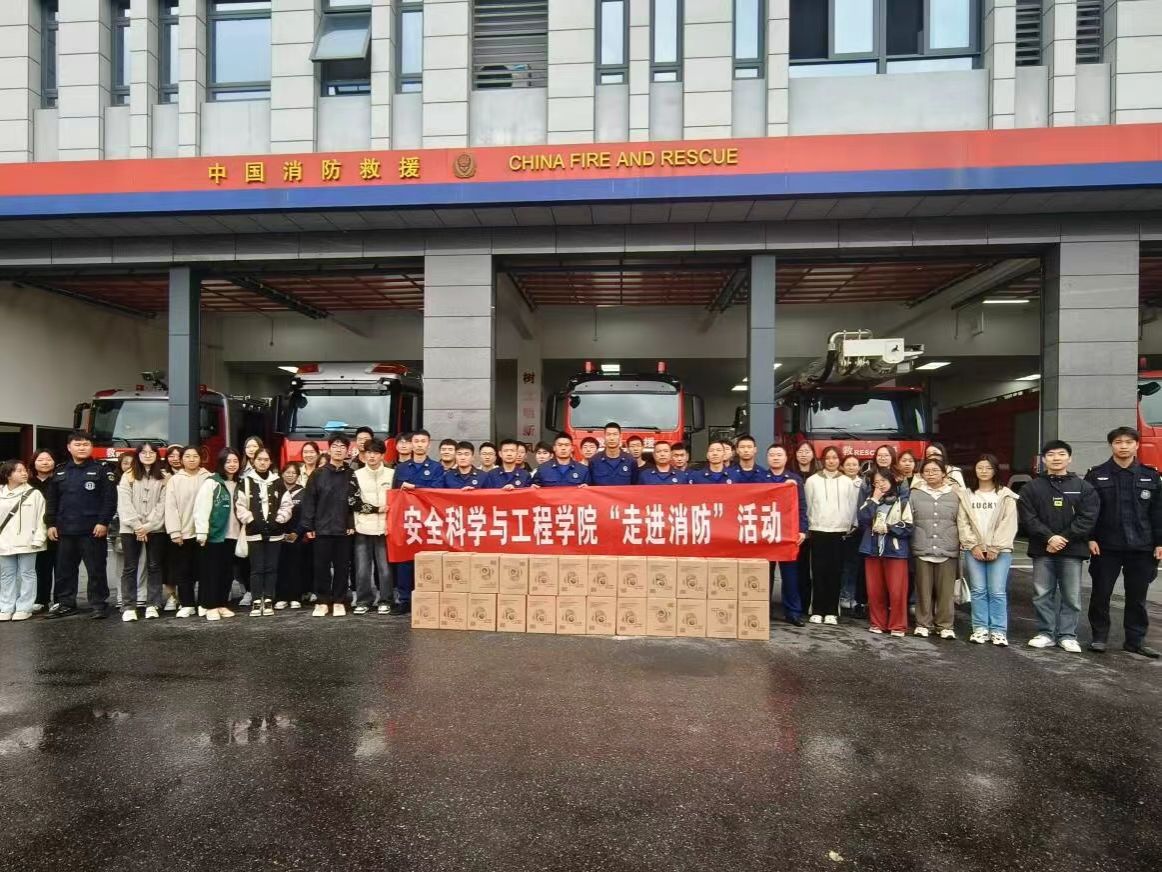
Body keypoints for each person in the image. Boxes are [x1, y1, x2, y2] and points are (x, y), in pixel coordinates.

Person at [1084, 427, 1162, 658]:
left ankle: (1135, 641)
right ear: (1111, 445)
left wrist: (1159, 542)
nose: (1124, 446)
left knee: (1137, 597)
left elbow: (1158, 512)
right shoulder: (1096, 475)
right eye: (1118, 442)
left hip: (1142, 546)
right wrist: (1090, 537)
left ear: (1137, 445)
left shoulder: (1151, 476)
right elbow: (1088, 511)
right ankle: (1099, 637)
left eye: (1128, 442)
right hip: (1105, 546)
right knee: (1101, 594)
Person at [1019, 440, 1099, 653]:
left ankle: (1067, 635)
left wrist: (1062, 538)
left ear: (1069, 458)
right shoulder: (1031, 487)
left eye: (1061, 454)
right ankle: (1045, 633)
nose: (1056, 458)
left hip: (1072, 550)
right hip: (1042, 549)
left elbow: (1088, 517)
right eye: (1051, 454)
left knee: (1071, 596)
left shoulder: (1083, 487)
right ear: (1044, 460)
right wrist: (1049, 538)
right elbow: (1028, 518)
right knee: (1041, 594)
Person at [43, 431, 117, 620]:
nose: (82, 448)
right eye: (77, 444)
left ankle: (99, 604)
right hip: (65, 530)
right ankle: (66, 604)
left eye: (86, 444)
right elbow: (52, 500)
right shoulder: (60, 471)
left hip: (92, 530)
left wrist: (103, 522)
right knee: (64, 571)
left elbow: (109, 500)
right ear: (69, 447)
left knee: (96, 570)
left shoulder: (102, 469)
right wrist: (51, 523)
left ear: (91, 447)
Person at [957, 454, 1019, 647]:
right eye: (980, 467)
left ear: (995, 470)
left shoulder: (1005, 495)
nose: (983, 471)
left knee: (997, 591)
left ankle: (999, 631)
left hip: (1000, 551)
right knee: (978, 590)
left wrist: (995, 547)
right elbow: (962, 522)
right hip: (973, 549)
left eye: (988, 468)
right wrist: (972, 545)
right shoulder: (967, 495)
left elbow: (1009, 524)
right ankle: (980, 628)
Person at [301, 436, 358, 618]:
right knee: (321, 567)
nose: (339, 449)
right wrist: (308, 525)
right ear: (329, 449)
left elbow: (355, 501)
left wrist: (351, 523)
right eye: (335, 446)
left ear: (347, 451)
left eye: (342, 446)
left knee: (342, 567)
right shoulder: (318, 474)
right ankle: (322, 601)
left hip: (344, 529)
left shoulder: (352, 474)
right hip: (322, 528)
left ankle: (339, 600)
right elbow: (309, 501)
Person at [391, 429, 446, 613]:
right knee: (405, 560)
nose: (420, 444)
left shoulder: (437, 467)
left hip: (429, 521)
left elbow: (437, 491)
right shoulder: (401, 468)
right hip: (407, 520)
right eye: (416, 441)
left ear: (429, 444)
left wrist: (415, 487)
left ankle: (428, 597)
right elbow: (394, 494)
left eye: (423, 441)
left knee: (429, 559)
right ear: (411, 444)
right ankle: (404, 599)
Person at [235, 447, 291, 617]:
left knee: (271, 568)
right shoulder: (246, 481)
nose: (263, 462)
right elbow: (240, 506)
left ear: (270, 462)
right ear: (253, 461)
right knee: (257, 568)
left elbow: (287, 504)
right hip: (254, 531)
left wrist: (279, 520)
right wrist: (251, 520)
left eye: (266, 460)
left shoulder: (278, 482)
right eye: (259, 459)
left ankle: (268, 599)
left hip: (275, 532)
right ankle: (256, 600)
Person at [910, 458, 962, 640]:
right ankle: (923, 624)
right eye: (927, 471)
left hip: (947, 547)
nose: (931, 474)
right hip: (922, 547)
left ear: (944, 473)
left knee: (946, 592)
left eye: (935, 470)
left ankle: (945, 625)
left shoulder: (955, 495)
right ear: (922, 474)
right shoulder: (914, 494)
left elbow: (961, 520)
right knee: (922, 590)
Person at [857, 471, 913, 637]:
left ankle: (898, 625)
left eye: (883, 480)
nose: (880, 484)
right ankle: (877, 623)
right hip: (872, 549)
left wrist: (889, 528)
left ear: (891, 481)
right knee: (875, 590)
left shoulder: (902, 501)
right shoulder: (870, 501)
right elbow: (862, 519)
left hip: (895, 551)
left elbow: (909, 526)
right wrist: (874, 499)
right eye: (876, 482)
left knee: (897, 591)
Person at [804, 446, 855, 624]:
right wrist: (809, 526)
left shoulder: (847, 482)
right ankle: (817, 609)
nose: (831, 461)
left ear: (839, 460)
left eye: (835, 457)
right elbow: (808, 505)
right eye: (828, 458)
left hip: (839, 532)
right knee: (818, 571)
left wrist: (849, 526)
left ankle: (832, 610)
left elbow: (851, 506)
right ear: (822, 460)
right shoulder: (812, 481)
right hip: (818, 530)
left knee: (836, 571)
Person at [117, 442, 167, 622]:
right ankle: (129, 606)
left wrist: (149, 526)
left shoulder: (164, 477)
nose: (147, 455)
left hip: (156, 528)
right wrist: (137, 526)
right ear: (137, 455)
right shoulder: (128, 476)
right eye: (143, 452)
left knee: (154, 565)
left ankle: (153, 604)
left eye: (151, 452)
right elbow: (124, 503)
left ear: (157, 455)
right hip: (130, 529)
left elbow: (163, 504)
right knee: (130, 566)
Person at [194, 448, 242, 622]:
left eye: (235, 461)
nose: (232, 465)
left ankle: (222, 603)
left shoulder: (240, 484)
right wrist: (202, 532)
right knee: (211, 572)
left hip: (233, 535)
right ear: (221, 463)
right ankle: (210, 606)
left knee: (226, 572)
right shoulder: (212, 483)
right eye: (228, 461)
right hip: (214, 535)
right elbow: (201, 508)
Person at [164, 446, 211, 617]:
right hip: (183, 532)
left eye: (195, 456)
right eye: (187, 456)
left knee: (205, 569)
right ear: (182, 459)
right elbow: (170, 507)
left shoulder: (209, 477)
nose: (191, 459)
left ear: (200, 458)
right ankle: (187, 603)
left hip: (204, 532)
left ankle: (205, 602)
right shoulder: (175, 480)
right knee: (183, 570)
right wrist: (175, 531)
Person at [352, 438, 397, 615]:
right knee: (362, 568)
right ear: (364, 455)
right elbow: (353, 502)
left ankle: (386, 600)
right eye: (369, 452)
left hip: (385, 528)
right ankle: (363, 600)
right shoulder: (356, 475)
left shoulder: (392, 474)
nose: (372, 456)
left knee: (385, 568)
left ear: (382, 455)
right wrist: (376, 509)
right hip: (363, 527)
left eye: (376, 453)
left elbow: (397, 500)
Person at [0, 459, 47, 621]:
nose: (24, 473)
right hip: (4, 541)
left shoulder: (34, 494)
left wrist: (39, 538)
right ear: (8, 475)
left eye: (24, 470)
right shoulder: (0, 493)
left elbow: (42, 518)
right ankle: (6, 607)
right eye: (18, 471)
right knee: (6, 575)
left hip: (28, 541)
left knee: (27, 574)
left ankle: (24, 607)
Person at [767, 444, 808, 626]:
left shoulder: (794, 479)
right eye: (772, 455)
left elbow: (802, 506)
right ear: (767, 458)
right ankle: (763, 610)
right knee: (764, 574)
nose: (775, 458)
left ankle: (793, 612)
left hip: (787, 533)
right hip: (766, 533)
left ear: (785, 458)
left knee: (790, 575)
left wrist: (802, 530)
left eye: (779, 455)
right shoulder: (761, 478)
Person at [274, 462, 307, 610]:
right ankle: (280, 597)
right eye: (287, 472)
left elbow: (306, 516)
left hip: (296, 535)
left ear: (298, 476)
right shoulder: (276, 489)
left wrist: (297, 532)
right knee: (279, 566)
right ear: (282, 474)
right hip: (277, 534)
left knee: (295, 566)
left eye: (294, 473)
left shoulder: (303, 492)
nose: (290, 475)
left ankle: (295, 597)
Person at [28, 449, 56, 613]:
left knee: (62, 567)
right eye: (40, 460)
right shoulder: (28, 483)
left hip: (57, 529)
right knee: (40, 567)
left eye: (48, 459)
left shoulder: (60, 480)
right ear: (34, 463)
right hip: (35, 531)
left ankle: (61, 600)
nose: (45, 462)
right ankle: (41, 600)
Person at [793, 441, 818, 616]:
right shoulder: (790, 475)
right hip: (796, 528)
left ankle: (809, 603)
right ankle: (798, 604)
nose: (803, 454)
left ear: (813, 454)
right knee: (798, 567)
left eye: (807, 451)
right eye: (800, 451)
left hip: (816, 526)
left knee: (813, 568)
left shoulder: (819, 475)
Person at [839, 453, 865, 615]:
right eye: (848, 464)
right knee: (841, 565)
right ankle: (842, 595)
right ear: (842, 467)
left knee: (854, 565)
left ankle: (850, 595)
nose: (851, 467)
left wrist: (855, 525)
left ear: (859, 467)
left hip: (857, 529)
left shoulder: (863, 484)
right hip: (839, 528)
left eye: (854, 464)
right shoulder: (838, 482)